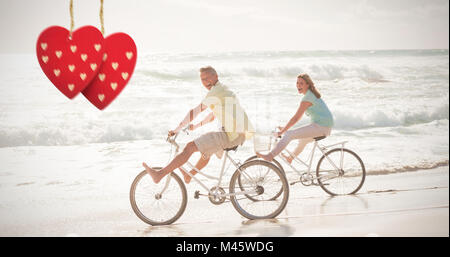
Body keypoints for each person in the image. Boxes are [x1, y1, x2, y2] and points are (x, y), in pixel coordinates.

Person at [143, 66, 254, 184]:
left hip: (232, 135)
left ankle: (159, 175)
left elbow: (195, 111)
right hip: (240, 134)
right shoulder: (223, 89)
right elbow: (211, 116)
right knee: (206, 149)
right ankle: (189, 175)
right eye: (202, 79)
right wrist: (196, 126)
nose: (205, 82)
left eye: (208, 78)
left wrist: (176, 129)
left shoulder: (215, 92)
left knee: (190, 147)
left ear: (216, 76)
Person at [256, 73, 334, 162]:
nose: (298, 85)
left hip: (321, 127)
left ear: (307, 85)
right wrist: (285, 128)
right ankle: (290, 158)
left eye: (301, 83)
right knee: (302, 140)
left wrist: (282, 131)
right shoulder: (310, 94)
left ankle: (270, 156)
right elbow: (298, 120)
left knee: (289, 134)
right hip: (324, 126)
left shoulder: (308, 98)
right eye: (297, 83)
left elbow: (296, 118)